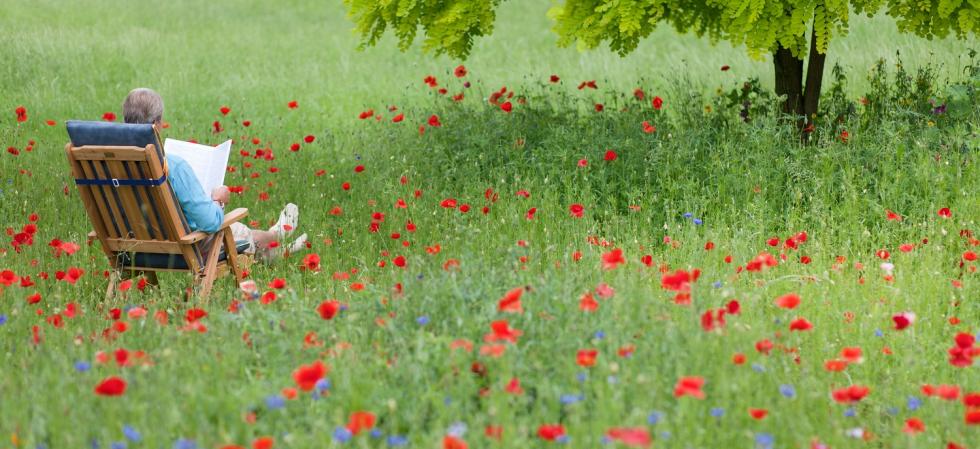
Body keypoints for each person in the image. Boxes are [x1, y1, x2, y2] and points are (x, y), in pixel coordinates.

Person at [122, 87, 306, 261]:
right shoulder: (172, 166)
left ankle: (276, 251)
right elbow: (209, 223)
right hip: (186, 246)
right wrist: (218, 200)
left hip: (134, 245)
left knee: (235, 234)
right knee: (238, 232)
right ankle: (277, 235)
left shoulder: (107, 163)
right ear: (157, 124)